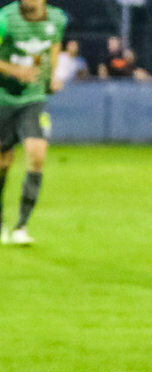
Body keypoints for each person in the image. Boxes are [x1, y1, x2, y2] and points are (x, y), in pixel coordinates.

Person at [0, 0, 67, 246]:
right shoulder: (4, 19)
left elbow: (52, 48)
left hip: (33, 98)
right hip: (4, 97)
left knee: (37, 155)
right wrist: (15, 71)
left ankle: (21, 226)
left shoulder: (57, 19)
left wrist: (51, 78)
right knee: (3, 162)